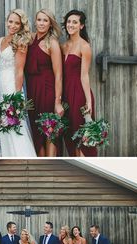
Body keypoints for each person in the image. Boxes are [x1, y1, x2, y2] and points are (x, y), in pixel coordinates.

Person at [0, 9, 36, 156]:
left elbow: (19, 71)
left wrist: (17, 98)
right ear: (6, 22)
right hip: (0, 86)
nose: (12, 25)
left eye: (17, 23)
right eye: (10, 21)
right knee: (3, 122)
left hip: (12, 86)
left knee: (15, 122)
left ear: (21, 25)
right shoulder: (1, 40)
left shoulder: (21, 42)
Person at [25, 9, 64, 157]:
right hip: (31, 90)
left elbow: (59, 74)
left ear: (50, 24)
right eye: (39, 20)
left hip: (47, 90)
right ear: (35, 21)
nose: (41, 23)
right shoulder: (29, 39)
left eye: (45, 20)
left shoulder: (52, 43)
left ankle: (50, 163)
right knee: (35, 131)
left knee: (48, 128)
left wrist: (58, 102)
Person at [61, 10, 97, 157]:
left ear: (81, 26)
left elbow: (84, 76)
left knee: (83, 136)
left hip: (79, 94)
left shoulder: (84, 46)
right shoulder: (64, 45)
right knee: (69, 135)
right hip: (66, 94)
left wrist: (88, 101)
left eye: (75, 22)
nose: (71, 25)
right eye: (69, 22)